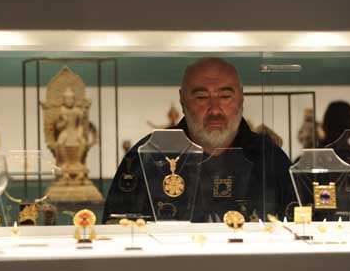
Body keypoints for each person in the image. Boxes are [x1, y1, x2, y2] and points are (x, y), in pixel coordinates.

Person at [102, 58, 295, 223]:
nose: (215, 110)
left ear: (241, 98)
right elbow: (116, 234)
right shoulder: (147, 157)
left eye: (225, 96)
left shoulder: (269, 158)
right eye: (202, 98)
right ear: (182, 100)